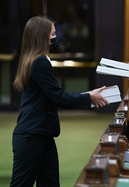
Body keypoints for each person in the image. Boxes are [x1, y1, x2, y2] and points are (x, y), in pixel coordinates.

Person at [10, 16, 109, 187]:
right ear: (42, 37)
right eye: (53, 34)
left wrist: (88, 96)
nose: (57, 38)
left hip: (42, 134)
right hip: (31, 136)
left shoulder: (32, 59)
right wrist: (89, 97)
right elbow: (58, 97)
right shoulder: (39, 62)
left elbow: (53, 95)